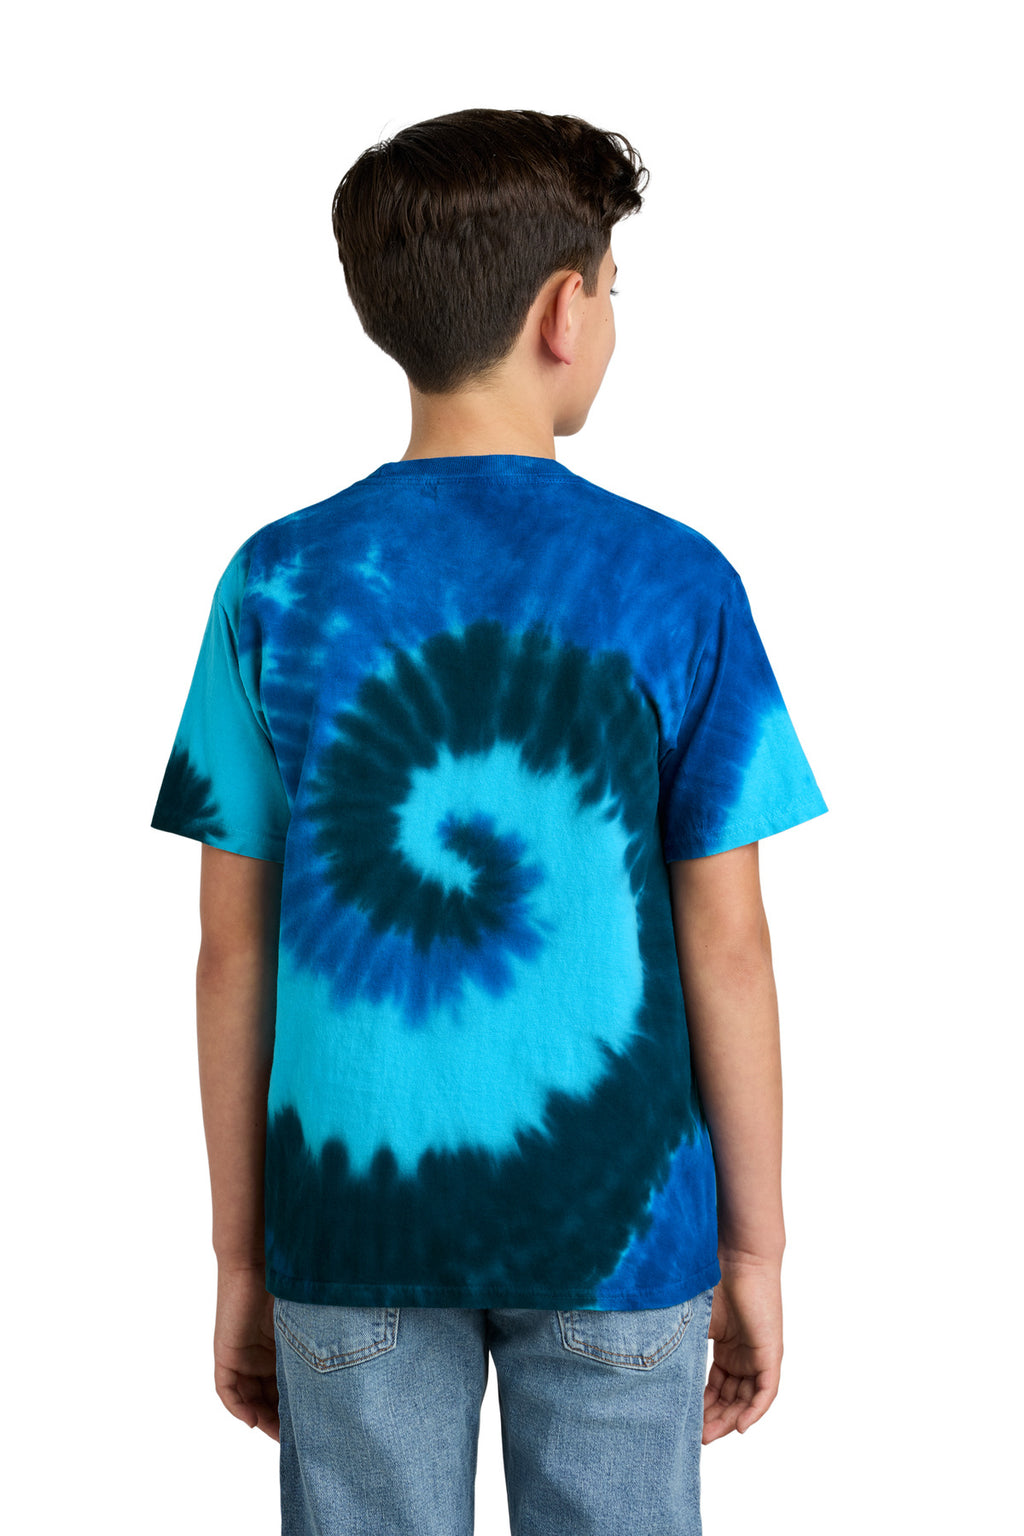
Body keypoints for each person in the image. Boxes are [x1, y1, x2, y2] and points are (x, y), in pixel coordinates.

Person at [151, 108, 828, 1536]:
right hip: (620, 1219)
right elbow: (732, 945)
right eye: (616, 290)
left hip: (346, 1218)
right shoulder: (676, 583)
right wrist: (757, 1247)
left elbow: (231, 954)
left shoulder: (275, 583)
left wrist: (239, 1258)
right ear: (563, 314)